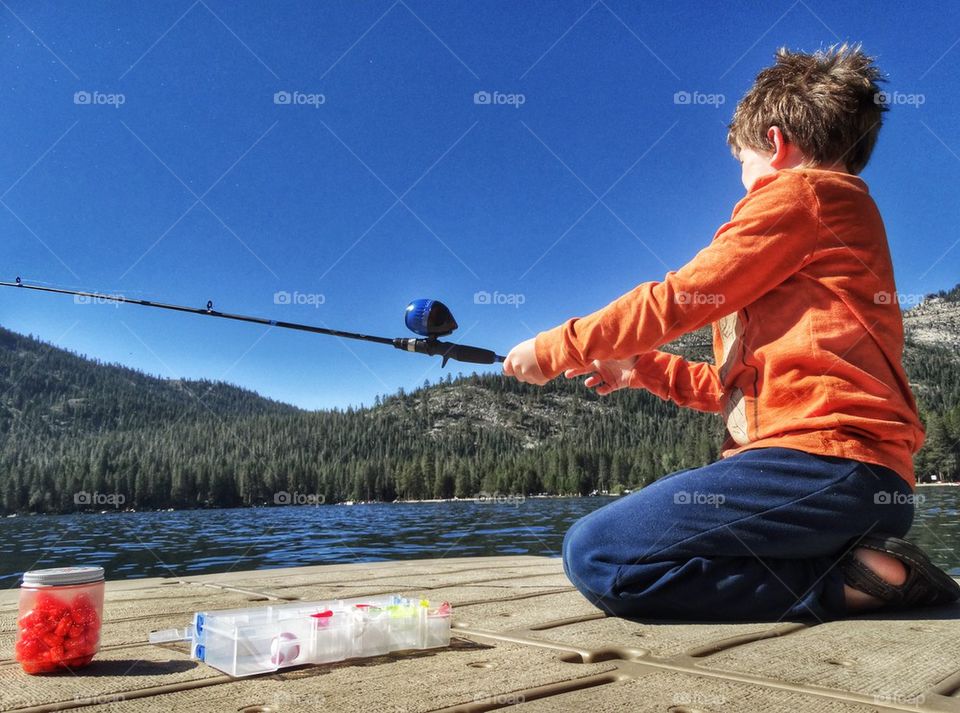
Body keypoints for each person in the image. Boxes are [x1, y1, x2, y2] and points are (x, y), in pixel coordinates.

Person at [502, 44, 960, 621]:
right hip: (856, 485)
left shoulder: (803, 195)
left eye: (742, 163)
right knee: (613, 553)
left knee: (598, 555)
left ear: (774, 143)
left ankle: (859, 585)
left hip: (832, 470)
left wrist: (553, 347)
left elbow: (676, 298)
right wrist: (640, 367)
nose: (742, 184)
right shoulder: (824, 225)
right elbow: (740, 392)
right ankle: (863, 569)